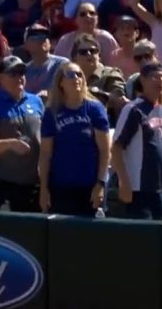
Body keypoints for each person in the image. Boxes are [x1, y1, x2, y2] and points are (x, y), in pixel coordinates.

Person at [111, 62, 162, 220]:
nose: (160, 81)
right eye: (154, 77)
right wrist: (124, 182)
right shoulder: (133, 109)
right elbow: (116, 148)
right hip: (138, 189)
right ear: (143, 80)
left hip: (160, 192)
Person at [38, 62, 110, 216]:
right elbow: (45, 154)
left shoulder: (95, 109)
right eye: (71, 74)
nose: (76, 78)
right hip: (60, 187)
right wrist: (44, 189)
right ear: (61, 82)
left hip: (90, 187)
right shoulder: (52, 113)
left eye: (79, 75)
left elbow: (105, 151)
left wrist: (100, 183)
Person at [0, 56, 44, 212]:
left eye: (21, 73)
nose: (19, 78)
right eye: (13, 74)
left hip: (35, 185)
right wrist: (11, 144)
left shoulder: (36, 101)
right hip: (6, 187)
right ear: (0, 79)